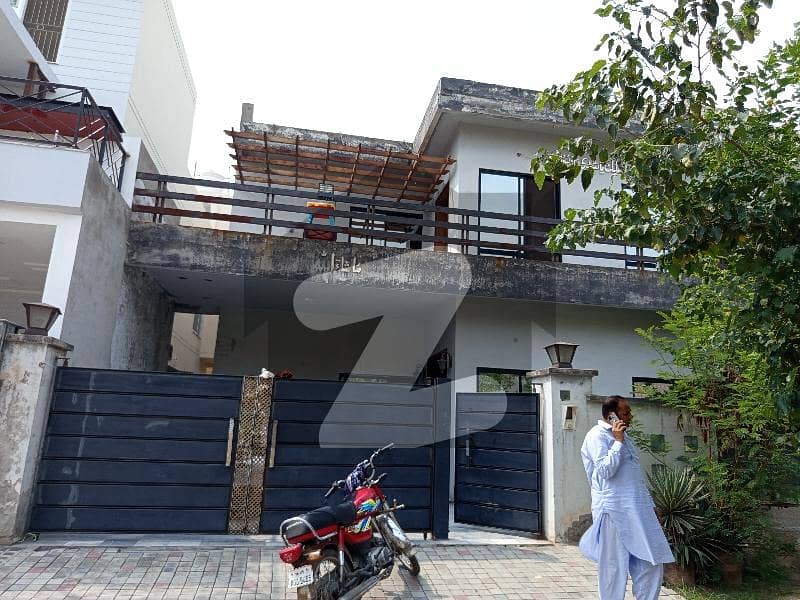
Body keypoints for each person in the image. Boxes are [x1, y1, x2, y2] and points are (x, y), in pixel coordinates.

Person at [579, 395, 674, 600]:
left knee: (651, 563)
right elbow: (605, 471)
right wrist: (617, 442)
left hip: (638, 510)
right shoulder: (597, 436)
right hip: (612, 511)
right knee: (614, 568)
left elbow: (635, 477)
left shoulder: (624, 437)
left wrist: (651, 506)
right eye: (625, 413)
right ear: (610, 415)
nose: (630, 416)